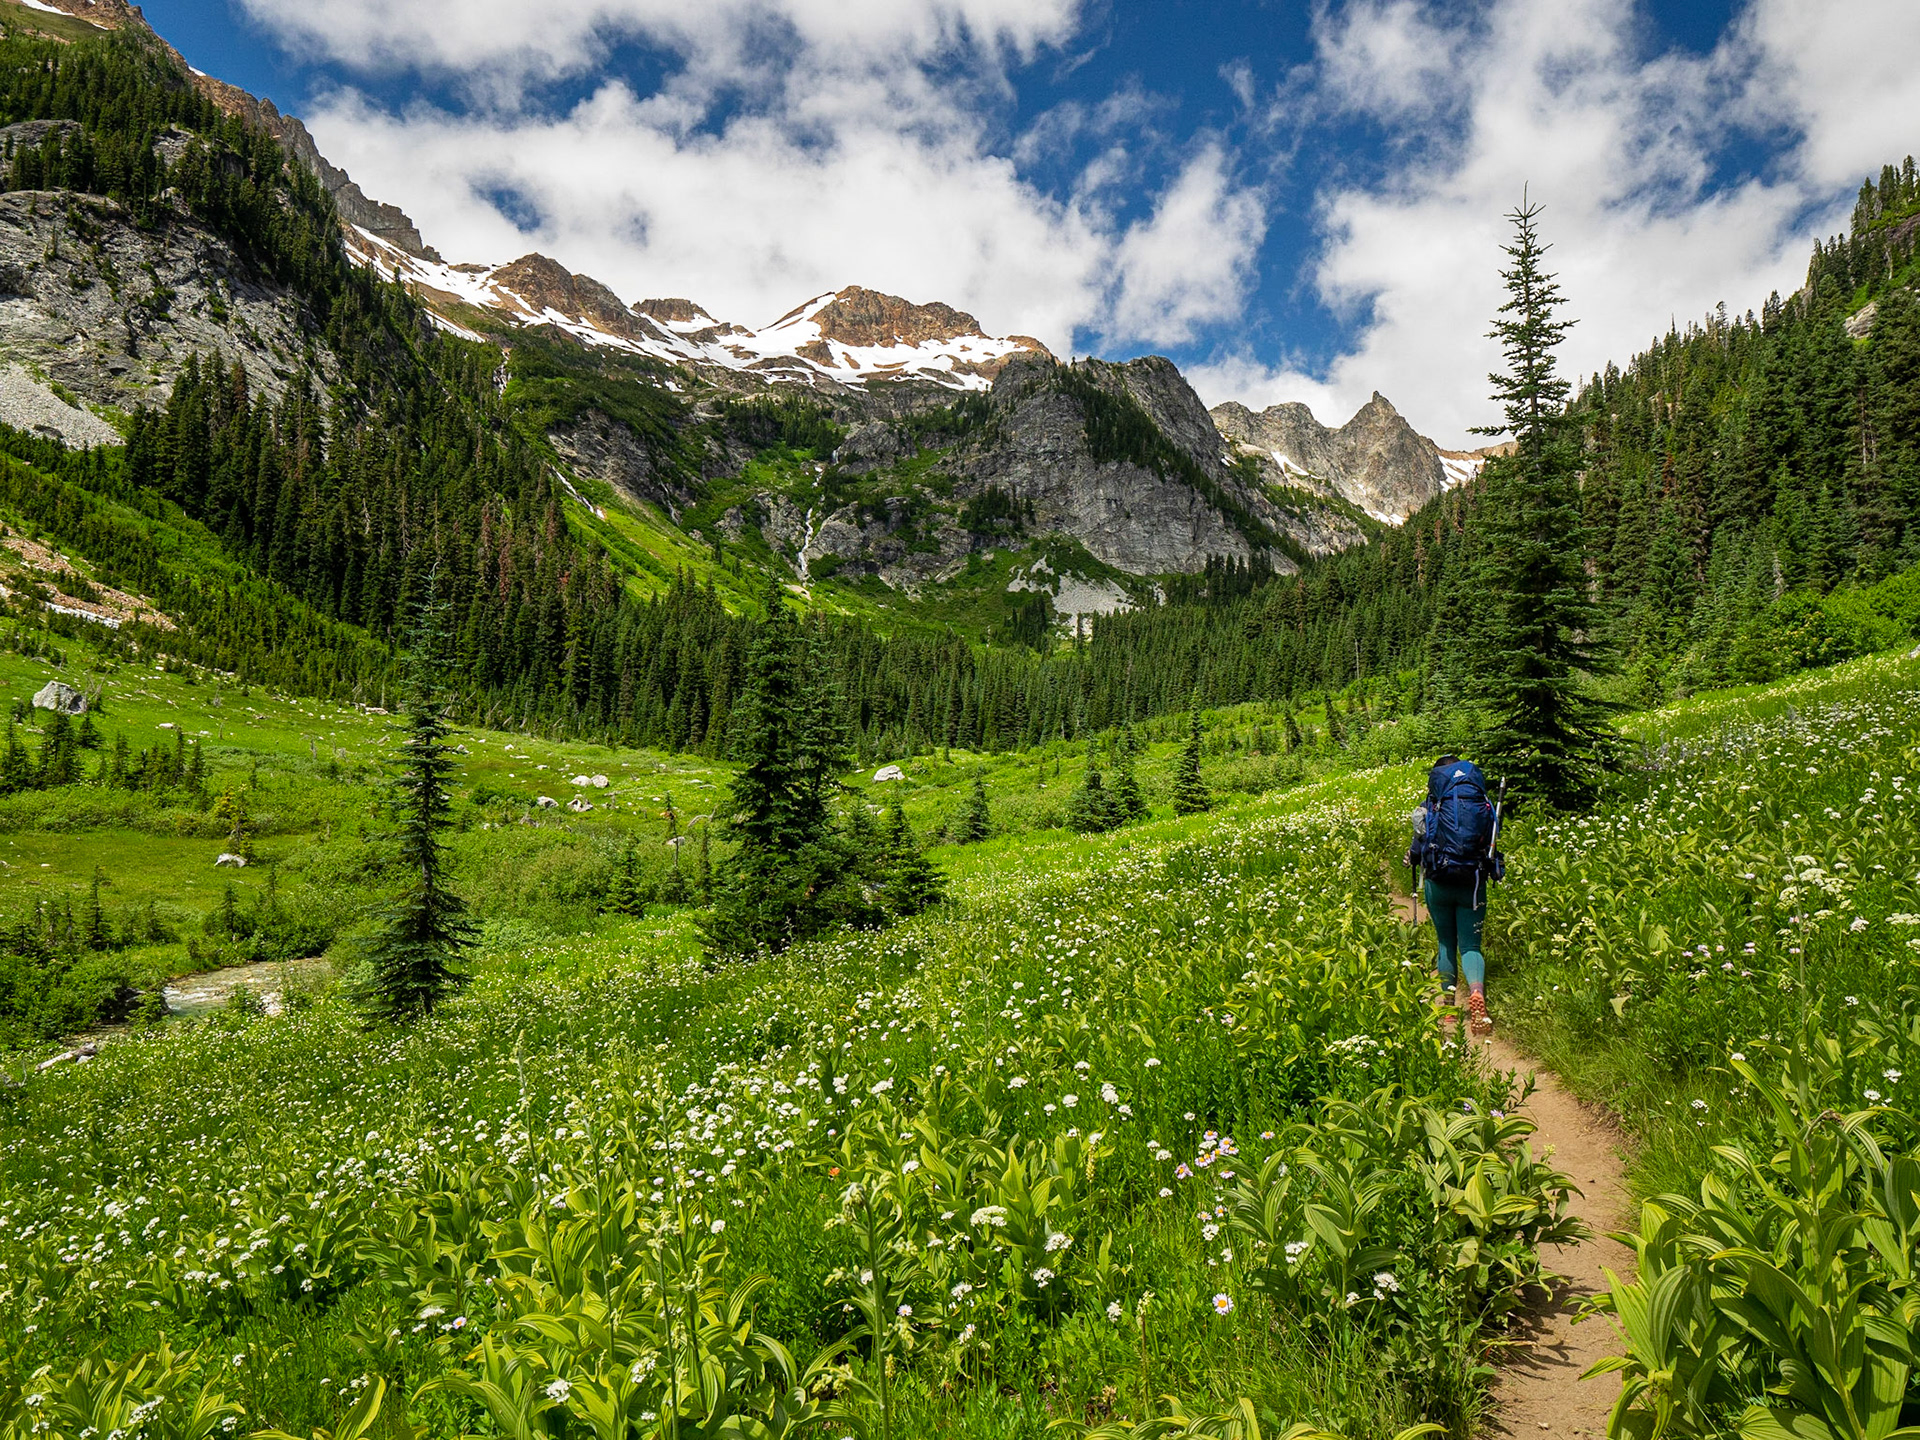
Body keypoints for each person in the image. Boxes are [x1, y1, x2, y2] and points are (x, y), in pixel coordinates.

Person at [1405, 754, 1505, 1037]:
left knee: (1445, 943)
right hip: (1472, 882)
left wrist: (1411, 857)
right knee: (1471, 946)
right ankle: (1476, 992)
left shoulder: (1430, 806)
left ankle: (1449, 1010)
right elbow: (1492, 844)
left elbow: (1417, 850)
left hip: (1438, 882)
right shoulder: (1481, 803)